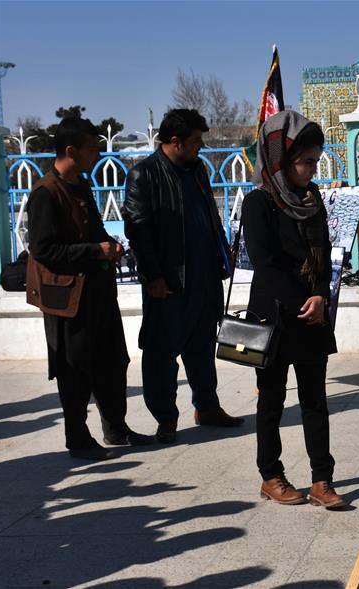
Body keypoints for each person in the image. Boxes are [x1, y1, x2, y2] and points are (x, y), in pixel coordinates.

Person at [26, 117, 152, 460]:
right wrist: (95, 251)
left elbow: (94, 231)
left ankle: (116, 429)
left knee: (112, 362)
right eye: (92, 148)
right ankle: (78, 439)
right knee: (75, 369)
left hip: (98, 292)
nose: (97, 154)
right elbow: (44, 250)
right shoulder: (45, 193)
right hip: (66, 299)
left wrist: (109, 245)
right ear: (71, 150)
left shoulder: (81, 187)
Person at [242, 110, 346, 508]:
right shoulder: (259, 203)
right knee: (270, 401)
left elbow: (323, 255)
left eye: (316, 162)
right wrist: (304, 301)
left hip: (312, 315)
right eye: (305, 162)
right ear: (281, 160)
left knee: (315, 399)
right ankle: (271, 475)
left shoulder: (312, 199)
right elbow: (264, 264)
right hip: (275, 316)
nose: (311, 170)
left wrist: (320, 295)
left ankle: (323, 480)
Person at [124, 109, 243, 444]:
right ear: (174, 141)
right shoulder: (143, 175)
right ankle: (166, 418)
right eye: (195, 141)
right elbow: (138, 231)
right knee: (162, 351)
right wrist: (154, 276)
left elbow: (210, 215)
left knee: (203, 346)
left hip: (204, 276)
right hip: (170, 281)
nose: (200, 147)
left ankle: (207, 407)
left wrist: (222, 250)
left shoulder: (197, 170)